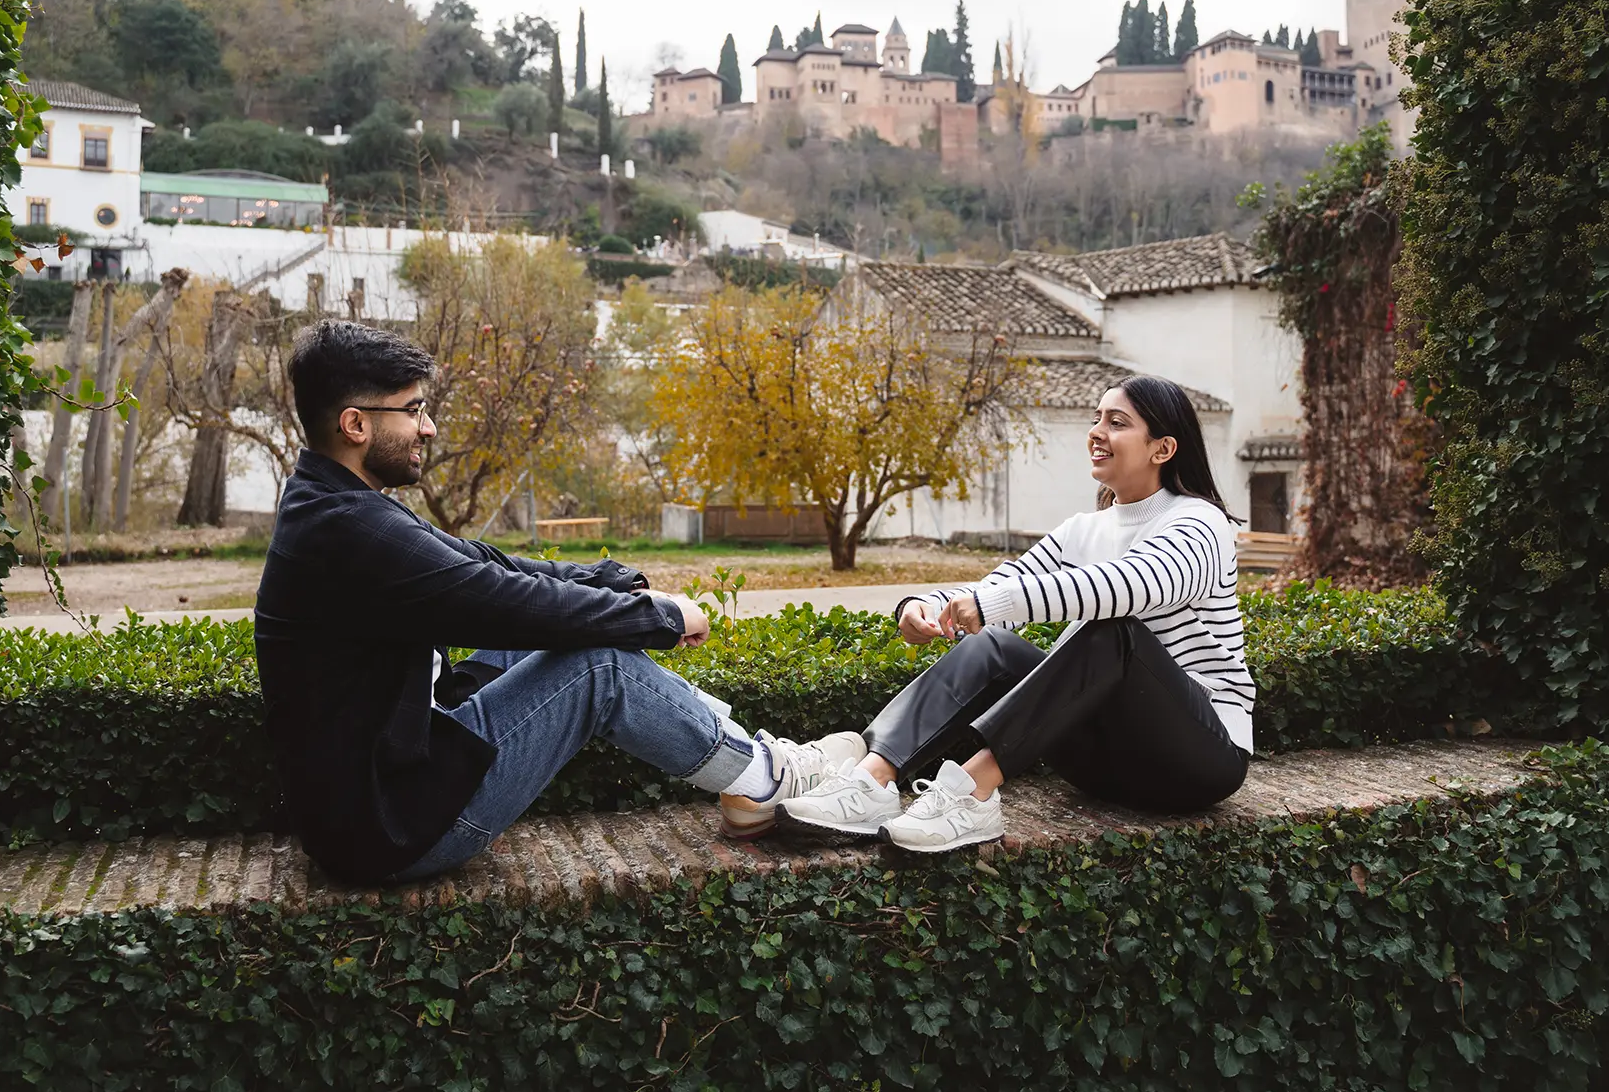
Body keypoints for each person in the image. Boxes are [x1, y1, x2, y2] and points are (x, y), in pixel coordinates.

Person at [254, 320, 862, 884]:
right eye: (413, 410)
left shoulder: (334, 503)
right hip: (394, 827)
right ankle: (763, 779)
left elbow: (486, 564)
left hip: (395, 777)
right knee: (598, 668)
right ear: (356, 425)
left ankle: (740, 757)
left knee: (541, 632)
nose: (429, 426)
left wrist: (609, 580)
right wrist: (662, 618)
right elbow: (504, 598)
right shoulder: (348, 529)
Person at [776, 375, 1253, 852]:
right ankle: (870, 783)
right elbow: (1000, 587)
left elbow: (1137, 584)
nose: (1096, 431)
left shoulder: (1198, 522)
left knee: (1113, 631)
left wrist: (992, 605)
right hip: (1104, 764)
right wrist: (925, 604)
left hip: (1198, 760)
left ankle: (970, 794)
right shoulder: (1082, 530)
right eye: (1095, 418)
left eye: (1117, 422)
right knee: (991, 645)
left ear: (1163, 448)